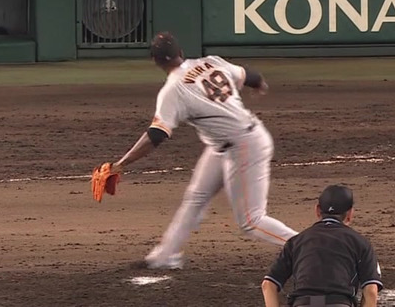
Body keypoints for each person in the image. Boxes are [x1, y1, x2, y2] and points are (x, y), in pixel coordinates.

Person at [96, 32, 298, 269]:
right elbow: (250, 76)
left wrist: (120, 165)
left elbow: (156, 135)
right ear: (181, 53)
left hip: (245, 146)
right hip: (227, 143)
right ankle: (165, 256)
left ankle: (312, 245)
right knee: (196, 197)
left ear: (155, 61)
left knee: (251, 221)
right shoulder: (211, 62)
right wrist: (260, 84)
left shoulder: (173, 90)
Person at [262, 185, 383, 307]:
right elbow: (371, 291)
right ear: (350, 213)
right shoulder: (360, 242)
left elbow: (268, 285)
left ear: (317, 210)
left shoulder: (296, 241)